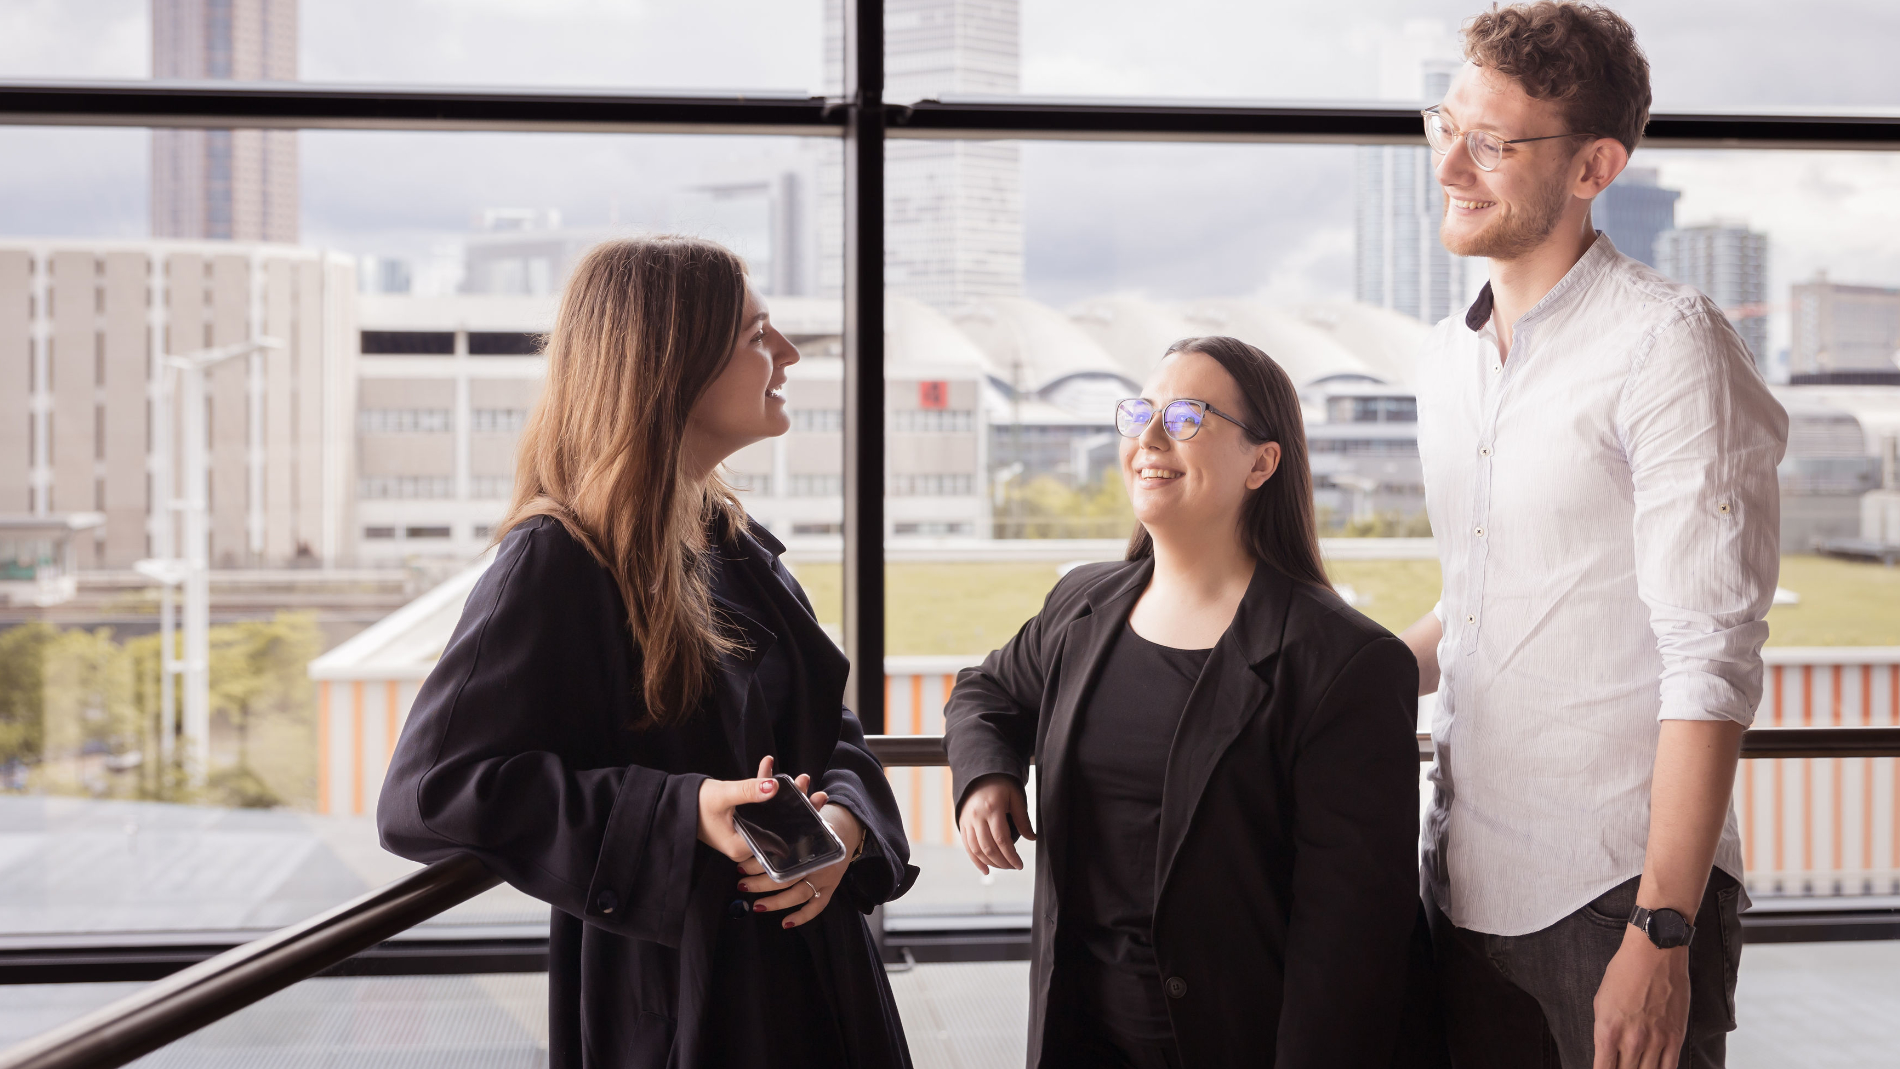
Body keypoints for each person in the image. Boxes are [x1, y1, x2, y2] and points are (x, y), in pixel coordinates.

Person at [377, 236, 918, 1069]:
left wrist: (843, 824)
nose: (787, 354)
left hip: (815, 978)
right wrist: (683, 812)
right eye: (756, 334)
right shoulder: (556, 560)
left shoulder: (729, 542)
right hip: (684, 1005)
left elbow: (832, 734)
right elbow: (429, 792)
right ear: (674, 365)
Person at [1401, 5, 1788, 1068]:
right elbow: (1486, 594)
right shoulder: (1448, 358)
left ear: (1592, 166)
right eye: (1446, 123)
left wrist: (1661, 930)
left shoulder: (1669, 347)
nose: (1449, 164)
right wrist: (1352, 675)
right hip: (1464, 876)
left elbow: (1708, 661)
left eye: (1493, 142)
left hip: (1612, 894)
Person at [946, 336, 1439, 1069]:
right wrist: (986, 777)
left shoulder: (1344, 661)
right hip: (1083, 1035)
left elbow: (1350, 947)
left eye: (1184, 417)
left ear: (1261, 462)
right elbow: (986, 691)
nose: (1147, 437)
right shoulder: (1083, 603)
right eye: (1141, 412)